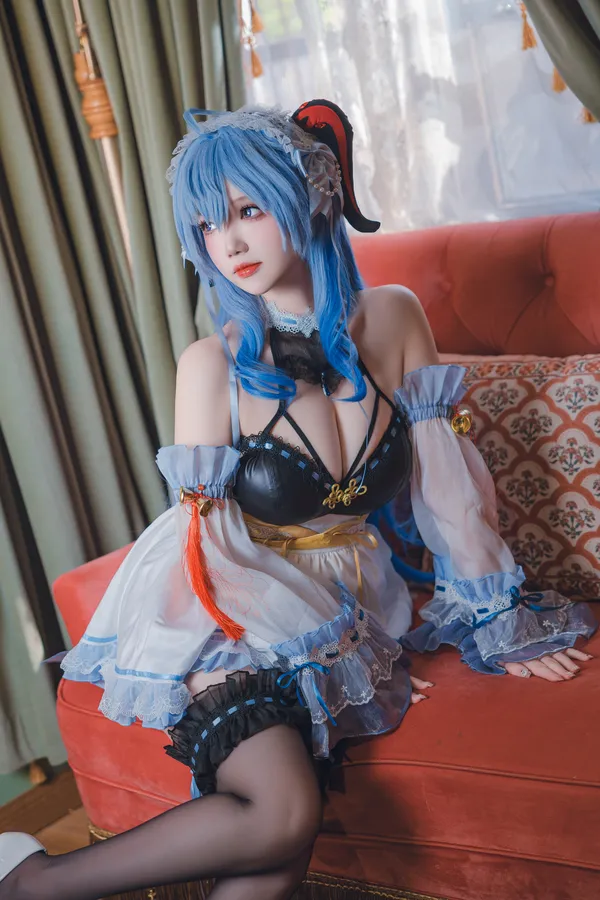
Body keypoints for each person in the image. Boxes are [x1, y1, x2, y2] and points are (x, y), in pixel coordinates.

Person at [0, 100, 595, 900]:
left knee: (279, 841)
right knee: (282, 811)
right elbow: (206, 549)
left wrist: (497, 614)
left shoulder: (395, 316)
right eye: (208, 224)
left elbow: (447, 490)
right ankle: (29, 881)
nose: (229, 243)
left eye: (248, 210)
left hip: (355, 599)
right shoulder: (210, 367)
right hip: (233, 614)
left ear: (310, 197)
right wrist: (343, 651)